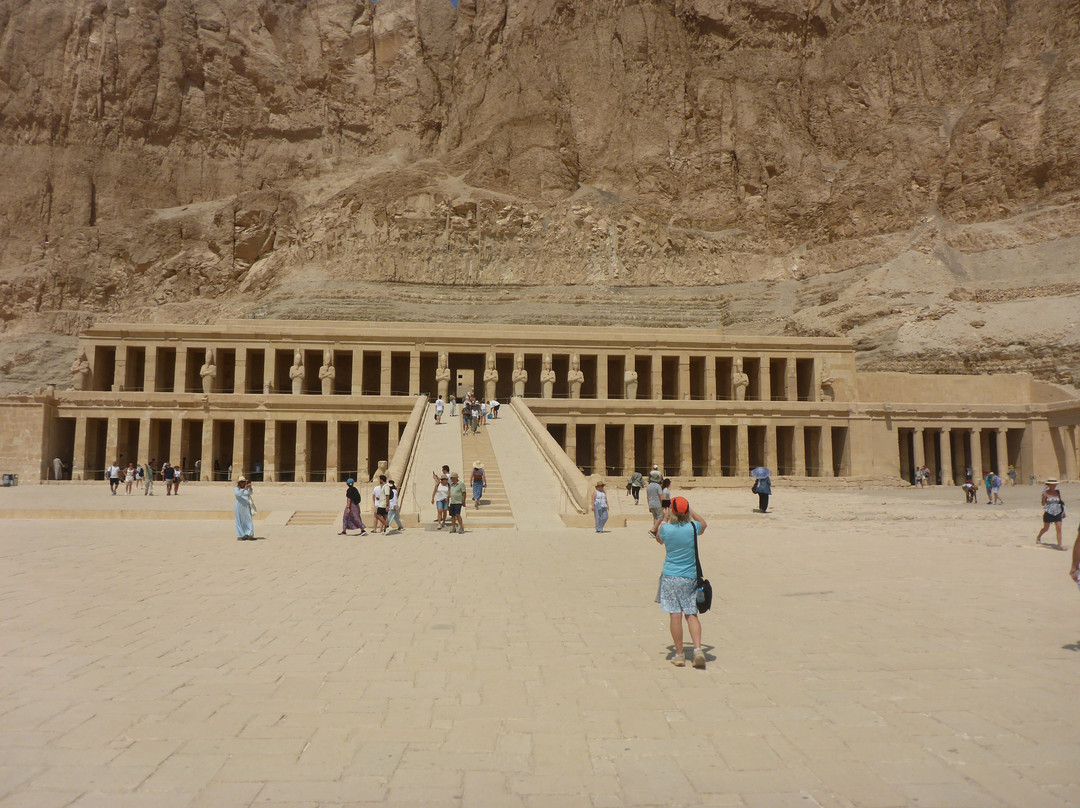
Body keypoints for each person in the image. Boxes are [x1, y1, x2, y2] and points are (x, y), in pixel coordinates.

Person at [654, 496, 708, 669]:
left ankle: (679, 654)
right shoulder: (693, 527)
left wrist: (665, 517)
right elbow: (704, 524)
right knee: (691, 614)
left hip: (671, 577)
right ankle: (698, 650)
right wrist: (689, 510)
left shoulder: (667, 529)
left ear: (672, 511)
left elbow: (658, 539)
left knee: (675, 615)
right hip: (690, 576)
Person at [1035, 479, 1066, 550]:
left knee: (1059, 528)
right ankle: (1039, 536)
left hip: (1057, 512)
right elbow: (1043, 504)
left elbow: (1060, 502)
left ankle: (1060, 544)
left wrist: (1063, 512)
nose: (1054, 486)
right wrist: (1043, 497)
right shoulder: (1046, 493)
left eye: (1055, 484)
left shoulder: (1057, 492)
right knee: (1046, 528)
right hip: (1048, 512)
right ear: (1049, 485)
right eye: (1052, 484)